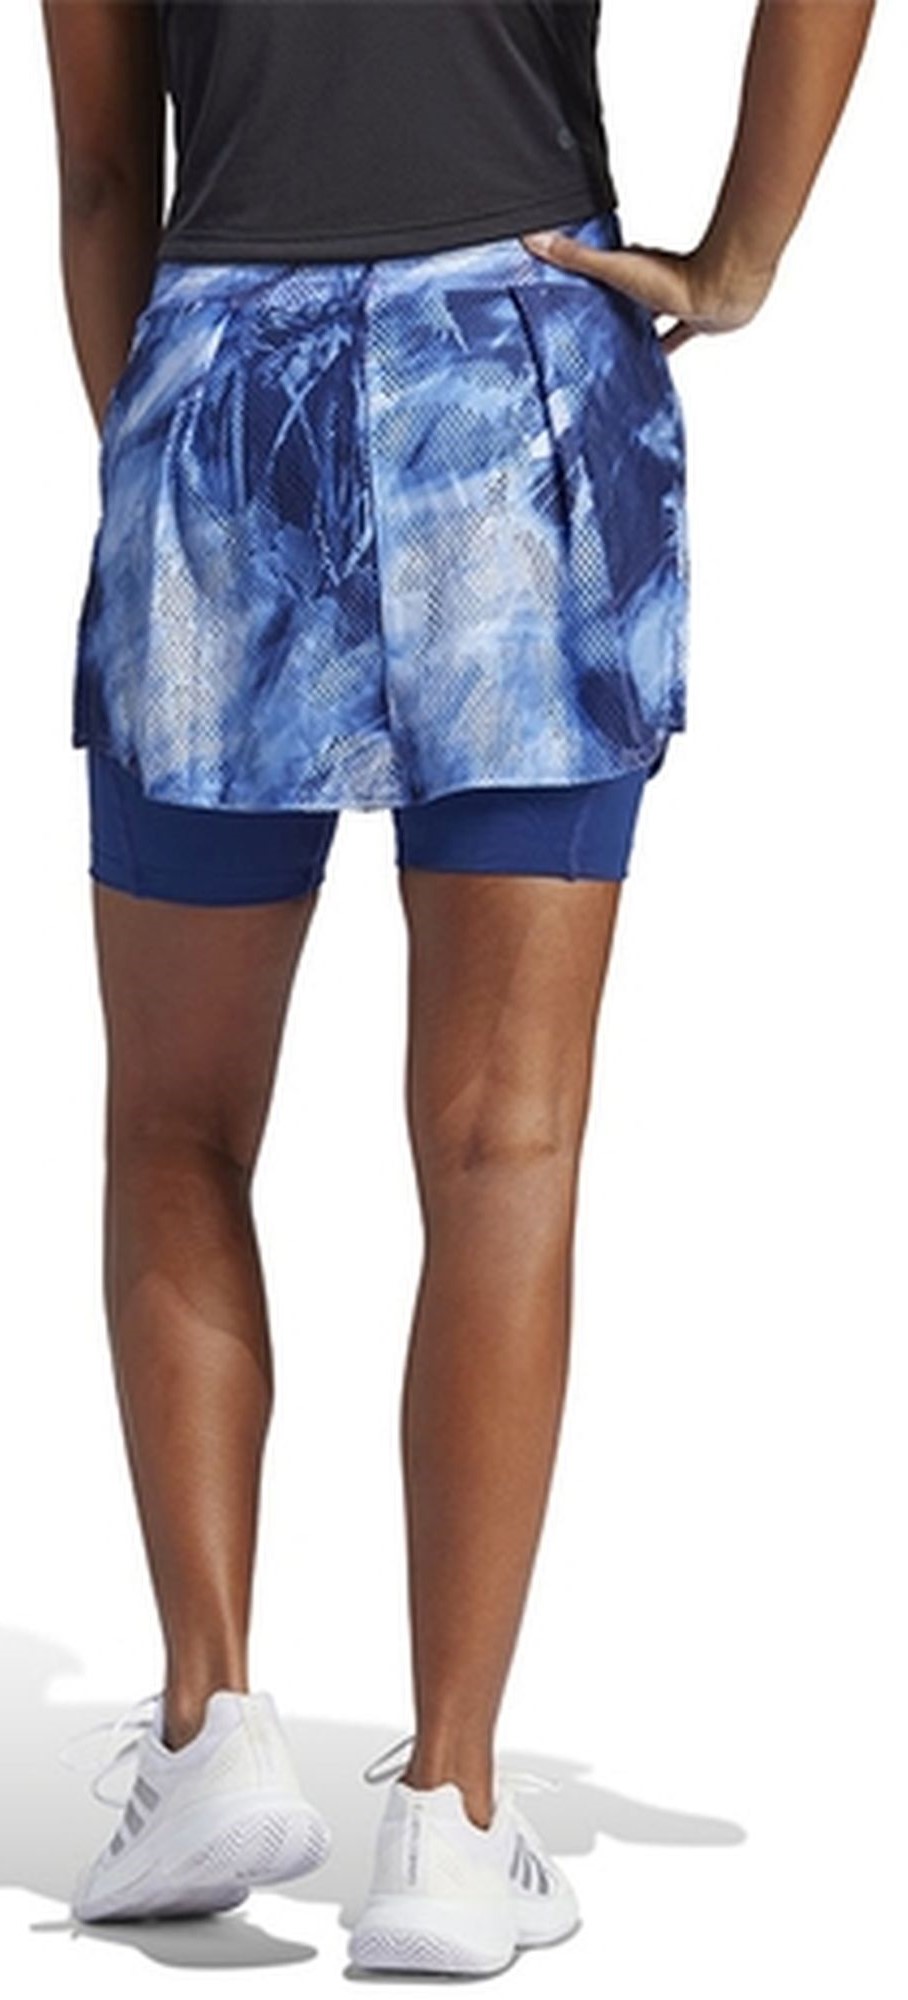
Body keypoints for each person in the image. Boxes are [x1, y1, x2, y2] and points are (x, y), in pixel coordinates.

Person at [43, 0, 875, 1975]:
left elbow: (101, 172)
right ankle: (453, 1813)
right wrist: (738, 260)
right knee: (506, 1144)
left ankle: (211, 1721)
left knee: (177, 1121)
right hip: (523, 373)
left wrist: (171, 448)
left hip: (219, 377)